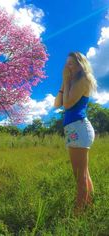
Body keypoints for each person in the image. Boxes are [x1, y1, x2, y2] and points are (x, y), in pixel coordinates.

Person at [54, 52, 97, 213]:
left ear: (80, 64)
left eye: (71, 63)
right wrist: (63, 85)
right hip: (75, 129)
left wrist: (66, 80)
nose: (67, 67)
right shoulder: (71, 82)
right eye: (67, 63)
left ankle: (78, 214)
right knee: (84, 173)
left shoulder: (84, 79)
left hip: (79, 128)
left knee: (79, 176)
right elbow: (56, 104)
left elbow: (67, 104)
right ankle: (90, 206)